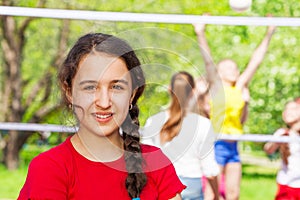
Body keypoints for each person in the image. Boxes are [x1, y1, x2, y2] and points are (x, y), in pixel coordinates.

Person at [18, 33, 186, 200]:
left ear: (132, 94)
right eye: (90, 87)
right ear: (70, 92)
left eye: (116, 87)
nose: (104, 102)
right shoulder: (50, 168)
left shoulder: (155, 163)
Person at [193, 18, 276, 200]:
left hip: (233, 145)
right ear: (219, 71)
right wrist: (200, 33)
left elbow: (255, 62)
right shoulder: (216, 88)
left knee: (233, 195)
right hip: (216, 144)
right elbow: (208, 61)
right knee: (211, 195)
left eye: (235, 67)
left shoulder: (239, 88)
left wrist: (270, 31)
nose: (234, 70)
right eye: (228, 67)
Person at [142, 71, 220, 200]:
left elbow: (146, 161)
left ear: (169, 89)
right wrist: (216, 196)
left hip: (161, 186)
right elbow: (210, 169)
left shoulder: (154, 121)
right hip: (192, 186)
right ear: (193, 91)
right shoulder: (203, 124)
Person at [264, 98, 300, 200]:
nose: (288, 111)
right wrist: (277, 140)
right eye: (286, 109)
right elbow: (268, 149)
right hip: (287, 185)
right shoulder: (282, 133)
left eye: (293, 108)